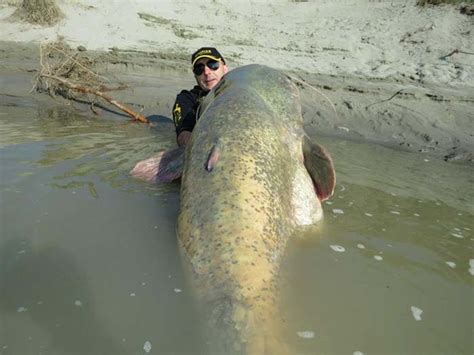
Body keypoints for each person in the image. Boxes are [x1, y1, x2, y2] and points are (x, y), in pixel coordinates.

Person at [172, 47, 229, 146]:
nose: (206, 72)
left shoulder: (240, 92)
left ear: (225, 69)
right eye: (199, 69)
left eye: (213, 65)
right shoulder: (186, 98)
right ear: (195, 76)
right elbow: (184, 134)